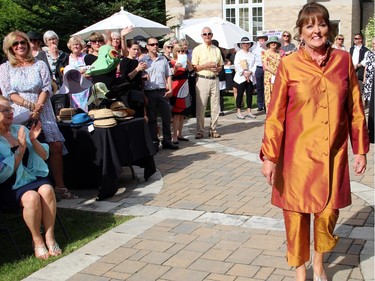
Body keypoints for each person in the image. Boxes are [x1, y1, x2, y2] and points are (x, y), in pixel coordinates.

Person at [260, 3, 369, 281]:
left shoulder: (343, 60)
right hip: (296, 157)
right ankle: (300, 272)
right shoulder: (288, 64)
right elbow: (275, 116)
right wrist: (270, 156)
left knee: (328, 214)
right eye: (309, 26)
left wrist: (360, 150)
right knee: (296, 217)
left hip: (333, 154)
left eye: (320, 24)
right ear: (301, 31)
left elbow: (355, 109)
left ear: (328, 28)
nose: (316, 31)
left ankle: (319, 264)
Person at [0, 30, 77, 200]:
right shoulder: (5, 68)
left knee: (55, 145)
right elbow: (8, 92)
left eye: (23, 42)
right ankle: (32, 187)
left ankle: (60, 186)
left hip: (44, 109)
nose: (20, 46)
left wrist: (38, 108)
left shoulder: (39, 64)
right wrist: (29, 107)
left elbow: (46, 87)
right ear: (10, 47)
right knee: (26, 146)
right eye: (15, 44)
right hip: (18, 112)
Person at [0, 96, 62, 260]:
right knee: (32, 197)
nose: (10, 113)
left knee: (48, 189)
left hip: (30, 177)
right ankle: (37, 240)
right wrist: (20, 148)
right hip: (8, 184)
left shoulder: (19, 129)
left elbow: (43, 155)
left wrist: (33, 141)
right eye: (5, 110)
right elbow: (3, 174)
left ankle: (50, 236)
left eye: (10, 109)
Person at [142, 37, 178, 150]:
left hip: (162, 91)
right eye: (152, 44)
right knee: (152, 118)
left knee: (166, 117)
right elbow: (139, 77)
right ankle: (154, 141)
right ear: (147, 46)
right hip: (150, 92)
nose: (155, 46)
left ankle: (167, 140)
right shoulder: (143, 60)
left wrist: (170, 89)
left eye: (156, 44)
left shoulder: (163, 59)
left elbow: (168, 75)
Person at [192, 27, 224, 139]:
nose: (207, 36)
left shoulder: (217, 49)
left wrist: (217, 69)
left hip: (214, 79)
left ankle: (213, 129)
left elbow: (221, 66)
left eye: (209, 34)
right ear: (202, 36)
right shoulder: (197, 49)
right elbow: (194, 67)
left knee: (215, 106)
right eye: (205, 34)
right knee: (201, 106)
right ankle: (200, 130)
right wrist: (206, 66)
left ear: (212, 35)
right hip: (202, 79)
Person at [170, 43, 193, 144]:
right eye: (178, 51)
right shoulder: (172, 61)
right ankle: (174, 135)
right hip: (176, 87)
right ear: (175, 52)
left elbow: (192, 71)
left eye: (182, 51)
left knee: (182, 113)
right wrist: (175, 67)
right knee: (176, 113)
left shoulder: (185, 60)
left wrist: (188, 62)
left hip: (185, 86)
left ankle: (180, 133)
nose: (180, 53)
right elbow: (171, 74)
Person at [119, 40, 148, 119]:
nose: (136, 51)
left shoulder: (136, 61)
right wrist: (137, 69)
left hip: (138, 92)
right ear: (128, 49)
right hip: (129, 94)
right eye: (134, 49)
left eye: (138, 49)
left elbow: (137, 78)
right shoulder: (125, 61)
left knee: (140, 117)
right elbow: (126, 78)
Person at [233, 37, 256, 119]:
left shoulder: (252, 54)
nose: (245, 45)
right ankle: (238, 111)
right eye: (243, 43)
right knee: (240, 94)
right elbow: (237, 64)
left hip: (250, 77)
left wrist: (250, 72)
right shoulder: (238, 54)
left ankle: (249, 111)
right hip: (241, 77)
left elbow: (254, 65)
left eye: (247, 43)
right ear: (241, 45)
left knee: (249, 94)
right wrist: (244, 72)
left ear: (250, 44)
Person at [66, 36, 90, 111]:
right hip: (73, 88)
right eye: (73, 44)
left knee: (86, 107)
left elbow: (90, 69)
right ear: (70, 46)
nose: (75, 46)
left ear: (81, 46)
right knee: (75, 109)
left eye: (77, 44)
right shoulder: (67, 58)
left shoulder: (86, 57)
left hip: (85, 87)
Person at [262, 36, 284, 112]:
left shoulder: (279, 53)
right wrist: (274, 73)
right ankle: (269, 111)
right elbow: (265, 65)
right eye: (272, 42)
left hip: (279, 75)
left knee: (277, 92)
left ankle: (277, 110)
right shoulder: (265, 52)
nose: (273, 44)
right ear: (269, 44)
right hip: (269, 76)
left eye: (275, 42)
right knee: (269, 92)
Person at [253, 31, 268, 112]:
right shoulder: (254, 47)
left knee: (266, 87)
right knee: (259, 87)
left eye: (263, 38)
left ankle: (266, 104)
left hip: (266, 68)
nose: (262, 40)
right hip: (258, 68)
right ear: (258, 39)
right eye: (260, 38)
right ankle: (260, 104)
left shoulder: (267, 47)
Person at [364, 37, 375, 143]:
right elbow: (366, 67)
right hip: (370, 82)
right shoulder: (369, 53)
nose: (373, 45)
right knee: (371, 105)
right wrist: (364, 79)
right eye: (373, 43)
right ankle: (371, 132)